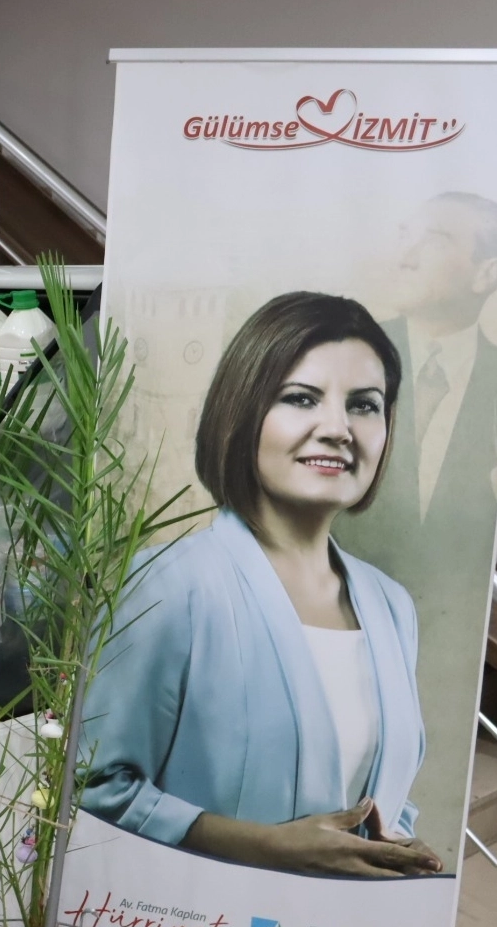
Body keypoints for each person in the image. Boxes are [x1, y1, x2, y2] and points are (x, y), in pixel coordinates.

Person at [82, 292, 443, 879]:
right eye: (301, 398)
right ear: (243, 411)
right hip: (196, 921)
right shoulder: (167, 586)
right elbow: (93, 787)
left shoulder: (392, 606)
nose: (338, 429)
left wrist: (392, 845)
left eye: (364, 405)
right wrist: (267, 847)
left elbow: (374, 790)